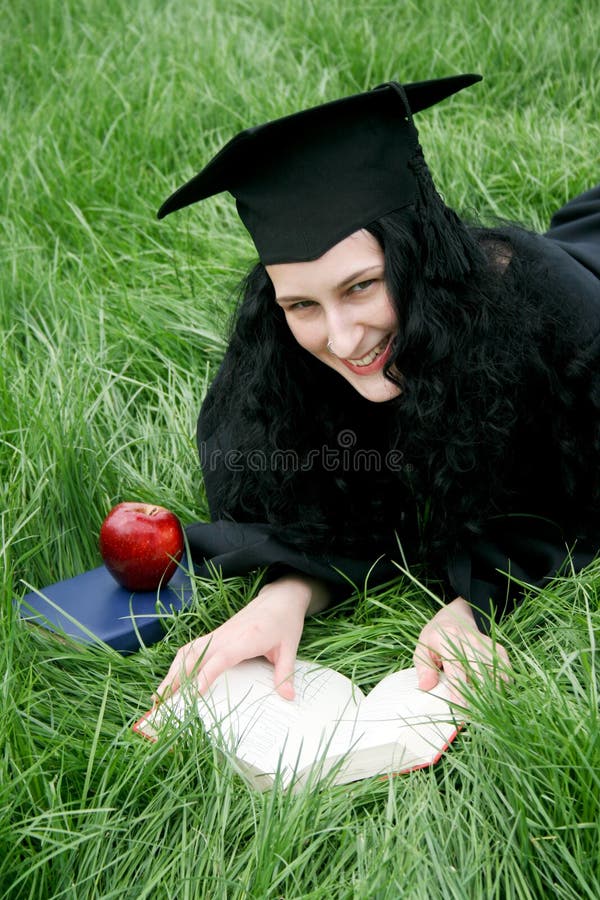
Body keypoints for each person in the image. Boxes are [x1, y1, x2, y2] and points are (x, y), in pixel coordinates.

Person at [153, 74, 600, 704]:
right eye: (303, 302)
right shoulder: (285, 345)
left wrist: (473, 606)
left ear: (423, 256)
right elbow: (327, 495)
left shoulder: (562, 330)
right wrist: (288, 595)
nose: (340, 338)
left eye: (361, 285)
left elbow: (570, 497)